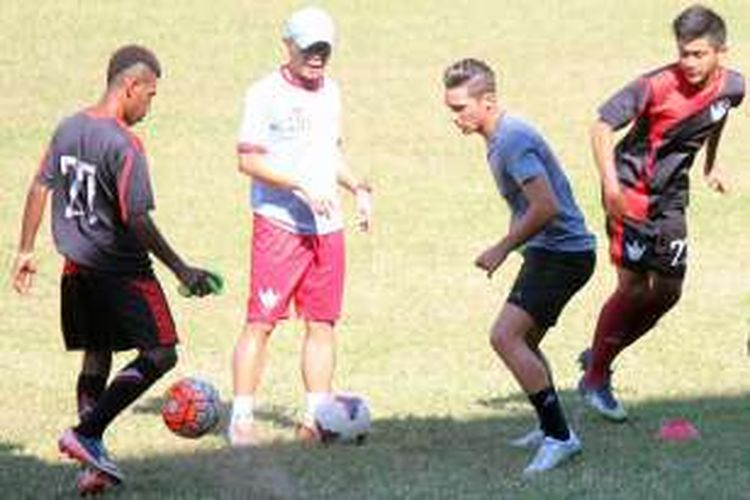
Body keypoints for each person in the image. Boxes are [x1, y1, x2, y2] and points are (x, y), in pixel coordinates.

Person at [11, 45, 217, 493]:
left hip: (77, 269)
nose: (150, 105)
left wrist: (24, 249)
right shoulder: (125, 145)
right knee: (162, 353)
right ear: (131, 87)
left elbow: (39, 185)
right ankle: (87, 433)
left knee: (98, 353)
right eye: (151, 94)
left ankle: (92, 462)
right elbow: (137, 217)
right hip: (123, 272)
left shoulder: (69, 127)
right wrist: (181, 269)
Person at [578, 4, 745, 422]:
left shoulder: (734, 87)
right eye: (683, 53)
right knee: (633, 289)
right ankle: (596, 378)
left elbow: (718, 116)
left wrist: (710, 164)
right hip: (630, 192)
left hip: (671, 198)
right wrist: (612, 187)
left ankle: (601, 350)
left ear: (721, 52)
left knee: (668, 292)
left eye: (698, 54)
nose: (688, 62)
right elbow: (600, 126)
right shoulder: (655, 85)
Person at [443, 58, 596, 474]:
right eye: (450, 108)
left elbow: (545, 207)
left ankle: (560, 437)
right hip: (551, 252)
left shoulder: (511, 140)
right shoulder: (499, 137)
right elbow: (530, 204)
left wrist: (503, 247)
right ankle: (550, 427)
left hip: (563, 254)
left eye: (460, 108)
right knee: (523, 342)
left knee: (505, 337)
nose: (454, 117)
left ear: (487, 101)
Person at [229, 6, 372, 446]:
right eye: (310, 48)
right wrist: (300, 186)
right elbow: (248, 159)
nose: (317, 57)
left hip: (327, 228)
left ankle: (317, 419)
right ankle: (242, 419)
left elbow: (329, 151)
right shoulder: (264, 94)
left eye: (324, 49)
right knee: (262, 322)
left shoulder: (331, 91)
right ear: (288, 46)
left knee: (322, 322)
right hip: (279, 226)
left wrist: (357, 186)